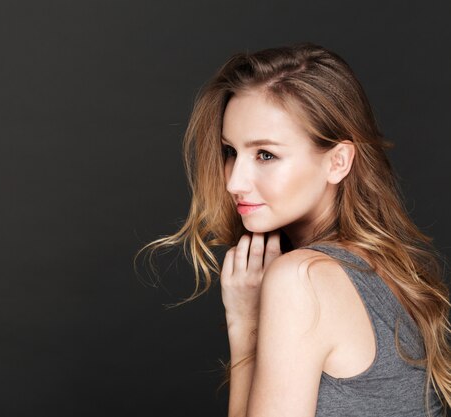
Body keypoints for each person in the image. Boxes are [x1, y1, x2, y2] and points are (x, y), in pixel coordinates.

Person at [134, 43, 450, 416]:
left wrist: (244, 326)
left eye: (265, 155)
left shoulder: (302, 279)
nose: (235, 181)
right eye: (230, 152)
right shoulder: (388, 268)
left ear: (338, 162)